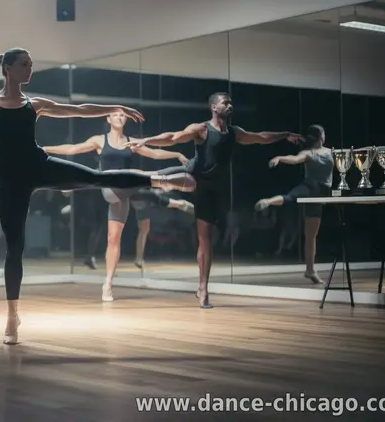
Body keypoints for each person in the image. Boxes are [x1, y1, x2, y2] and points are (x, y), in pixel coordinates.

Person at [0, 47, 195, 344]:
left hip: (40, 166)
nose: (30, 69)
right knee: (15, 248)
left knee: (96, 177)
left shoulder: (34, 104)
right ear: (8, 69)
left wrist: (113, 107)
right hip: (11, 181)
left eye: (31, 64)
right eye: (24, 64)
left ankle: (161, 180)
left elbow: (78, 110)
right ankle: (12, 316)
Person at [125, 92, 303, 309]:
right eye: (225, 102)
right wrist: (146, 140)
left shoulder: (234, 133)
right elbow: (172, 137)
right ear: (214, 108)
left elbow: (261, 137)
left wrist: (285, 134)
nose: (230, 105)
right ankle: (123, 181)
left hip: (209, 190)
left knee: (206, 240)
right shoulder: (201, 129)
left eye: (231, 103)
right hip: (190, 174)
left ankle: (203, 288)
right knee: (148, 179)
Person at [43, 112, 195, 302]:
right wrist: (45, 148)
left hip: (127, 191)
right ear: (108, 119)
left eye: (123, 115)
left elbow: (155, 153)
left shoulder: (131, 142)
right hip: (111, 188)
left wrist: (177, 154)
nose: (119, 117)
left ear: (126, 120)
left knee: (114, 238)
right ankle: (164, 185)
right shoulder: (100, 140)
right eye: (115, 115)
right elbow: (73, 149)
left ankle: (107, 284)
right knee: (137, 178)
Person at [254, 124, 332, 285]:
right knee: (290, 198)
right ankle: (268, 201)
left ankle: (310, 270)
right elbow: (295, 159)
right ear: (321, 137)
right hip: (312, 189)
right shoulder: (309, 153)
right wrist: (280, 158)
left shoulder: (330, 152)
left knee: (311, 236)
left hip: (318, 194)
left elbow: (353, 153)